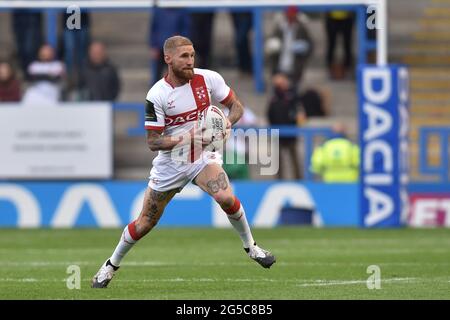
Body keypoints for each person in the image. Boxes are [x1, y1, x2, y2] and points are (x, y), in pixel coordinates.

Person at [91, 35, 276, 288]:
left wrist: (227, 123)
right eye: (184, 56)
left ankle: (252, 248)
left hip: (202, 157)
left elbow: (236, 106)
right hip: (171, 163)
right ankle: (110, 266)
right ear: (168, 59)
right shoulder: (157, 95)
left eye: (192, 55)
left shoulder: (208, 79)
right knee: (146, 222)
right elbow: (153, 142)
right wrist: (187, 136)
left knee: (226, 198)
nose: (190, 61)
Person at [266, 6, 314, 89]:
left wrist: (304, 48)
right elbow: (270, 47)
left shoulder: (301, 29)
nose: (290, 17)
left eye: (293, 15)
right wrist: (273, 47)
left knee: (293, 93)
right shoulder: (279, 28)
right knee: (278, 94)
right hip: (279, 68)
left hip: (295, 69)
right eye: (289, 15)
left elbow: (310, 46)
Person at [266, 73, 303, 180]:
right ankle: (278, 180)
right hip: (278, 134)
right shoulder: (274, 97)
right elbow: (270, 114)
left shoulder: (292, 95)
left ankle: (299, 179)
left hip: (291, 133)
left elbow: (298, 110)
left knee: (294, 158)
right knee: (277, 161)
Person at [324, 11, 355, 80]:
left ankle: (347, 69)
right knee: (331, 45)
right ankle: (330, 70)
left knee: (347, 45)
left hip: (347, 16)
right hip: (331, 16)